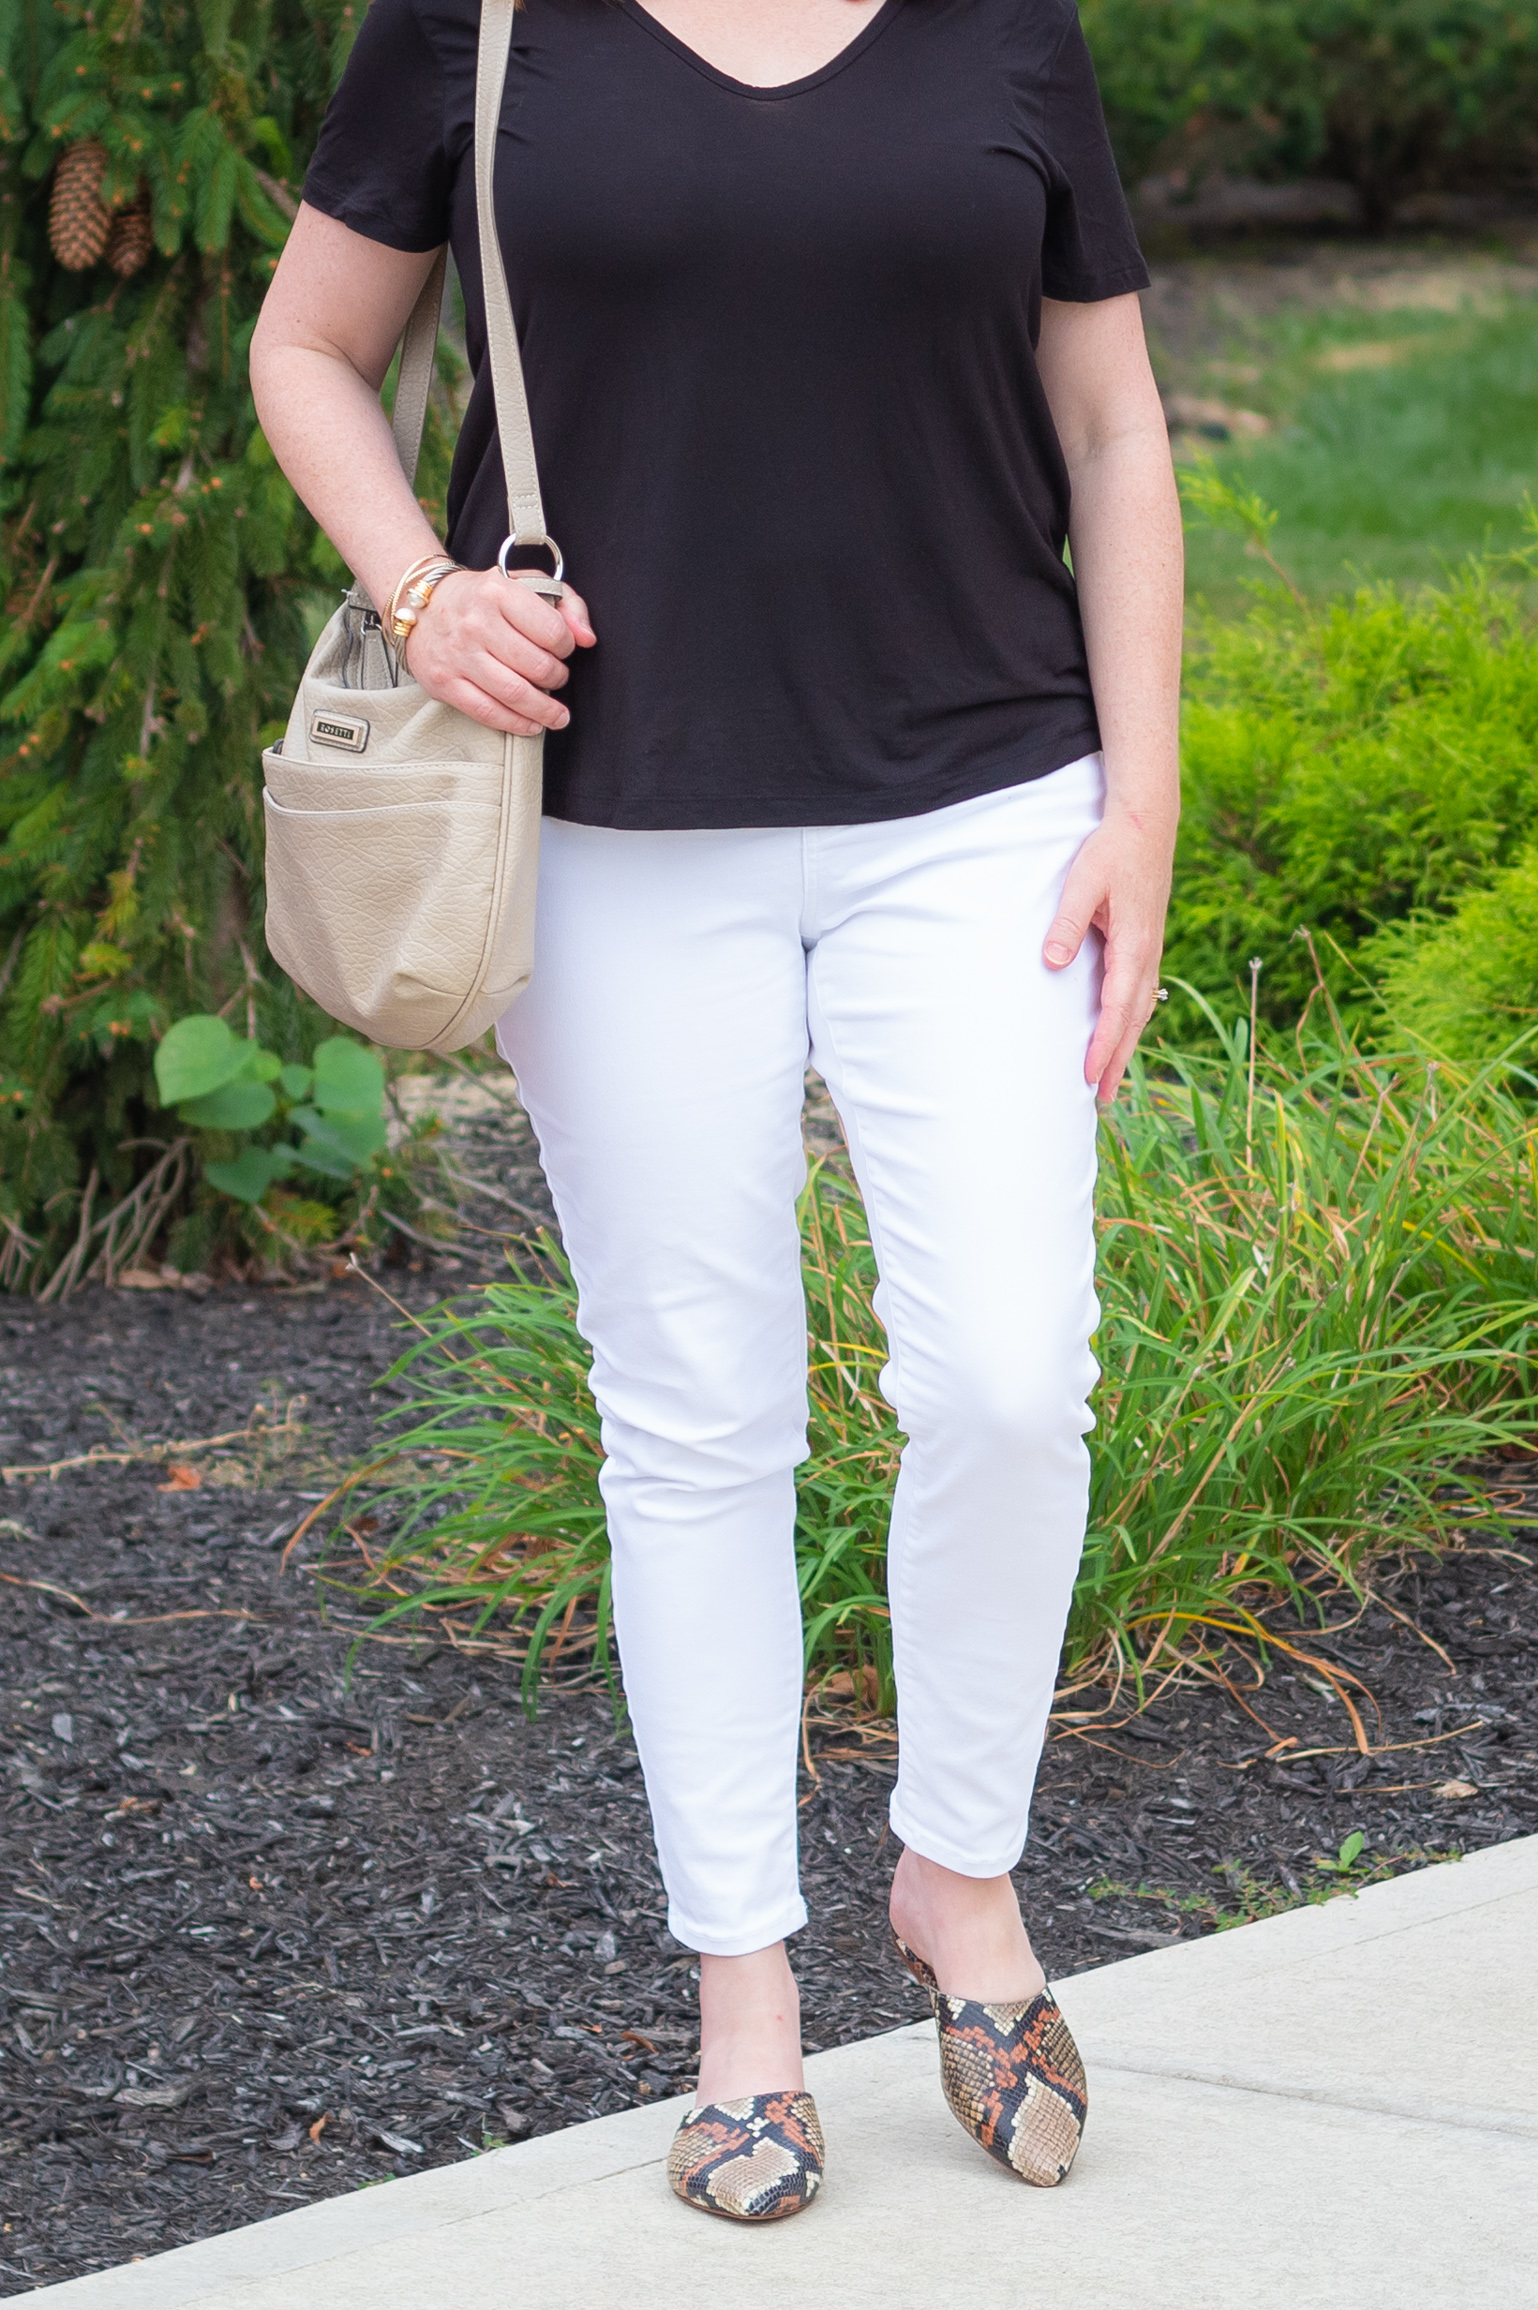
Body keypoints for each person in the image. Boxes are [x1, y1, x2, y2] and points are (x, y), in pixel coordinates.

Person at [251, 0, 1181, 2224]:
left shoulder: (1003, 34)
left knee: (1001, 1382)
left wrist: (1138, 795)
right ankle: (742, 2000)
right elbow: (311, 349)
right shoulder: (479, 29)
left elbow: (1112, 421)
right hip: (609, 817)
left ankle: (957, 1888)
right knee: (689, 1411)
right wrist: (421, 590)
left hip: (976, 798)